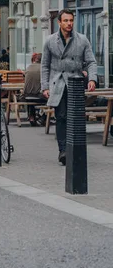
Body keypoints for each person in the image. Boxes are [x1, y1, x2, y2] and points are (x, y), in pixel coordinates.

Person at [41, 9, 97, 166]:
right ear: (59, 22)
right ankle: (63, 151)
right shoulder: (50, 41)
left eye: (71, 20)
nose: (69, 23)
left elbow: (91, 62)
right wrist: (45, 86)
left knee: (76, 117)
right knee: (61, 117)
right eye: (65, 20)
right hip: (58, 82)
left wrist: (92, 78)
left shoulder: (82, 40)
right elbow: (44, 65)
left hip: (76, 82)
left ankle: (76, 149)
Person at [23, 53, 46, 126]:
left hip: (27, 96)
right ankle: (43, 118)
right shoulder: (44, 69)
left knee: (31, 96)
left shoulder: (29, 67)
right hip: (39, 97)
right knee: (54, 100)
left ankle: (32, 117)